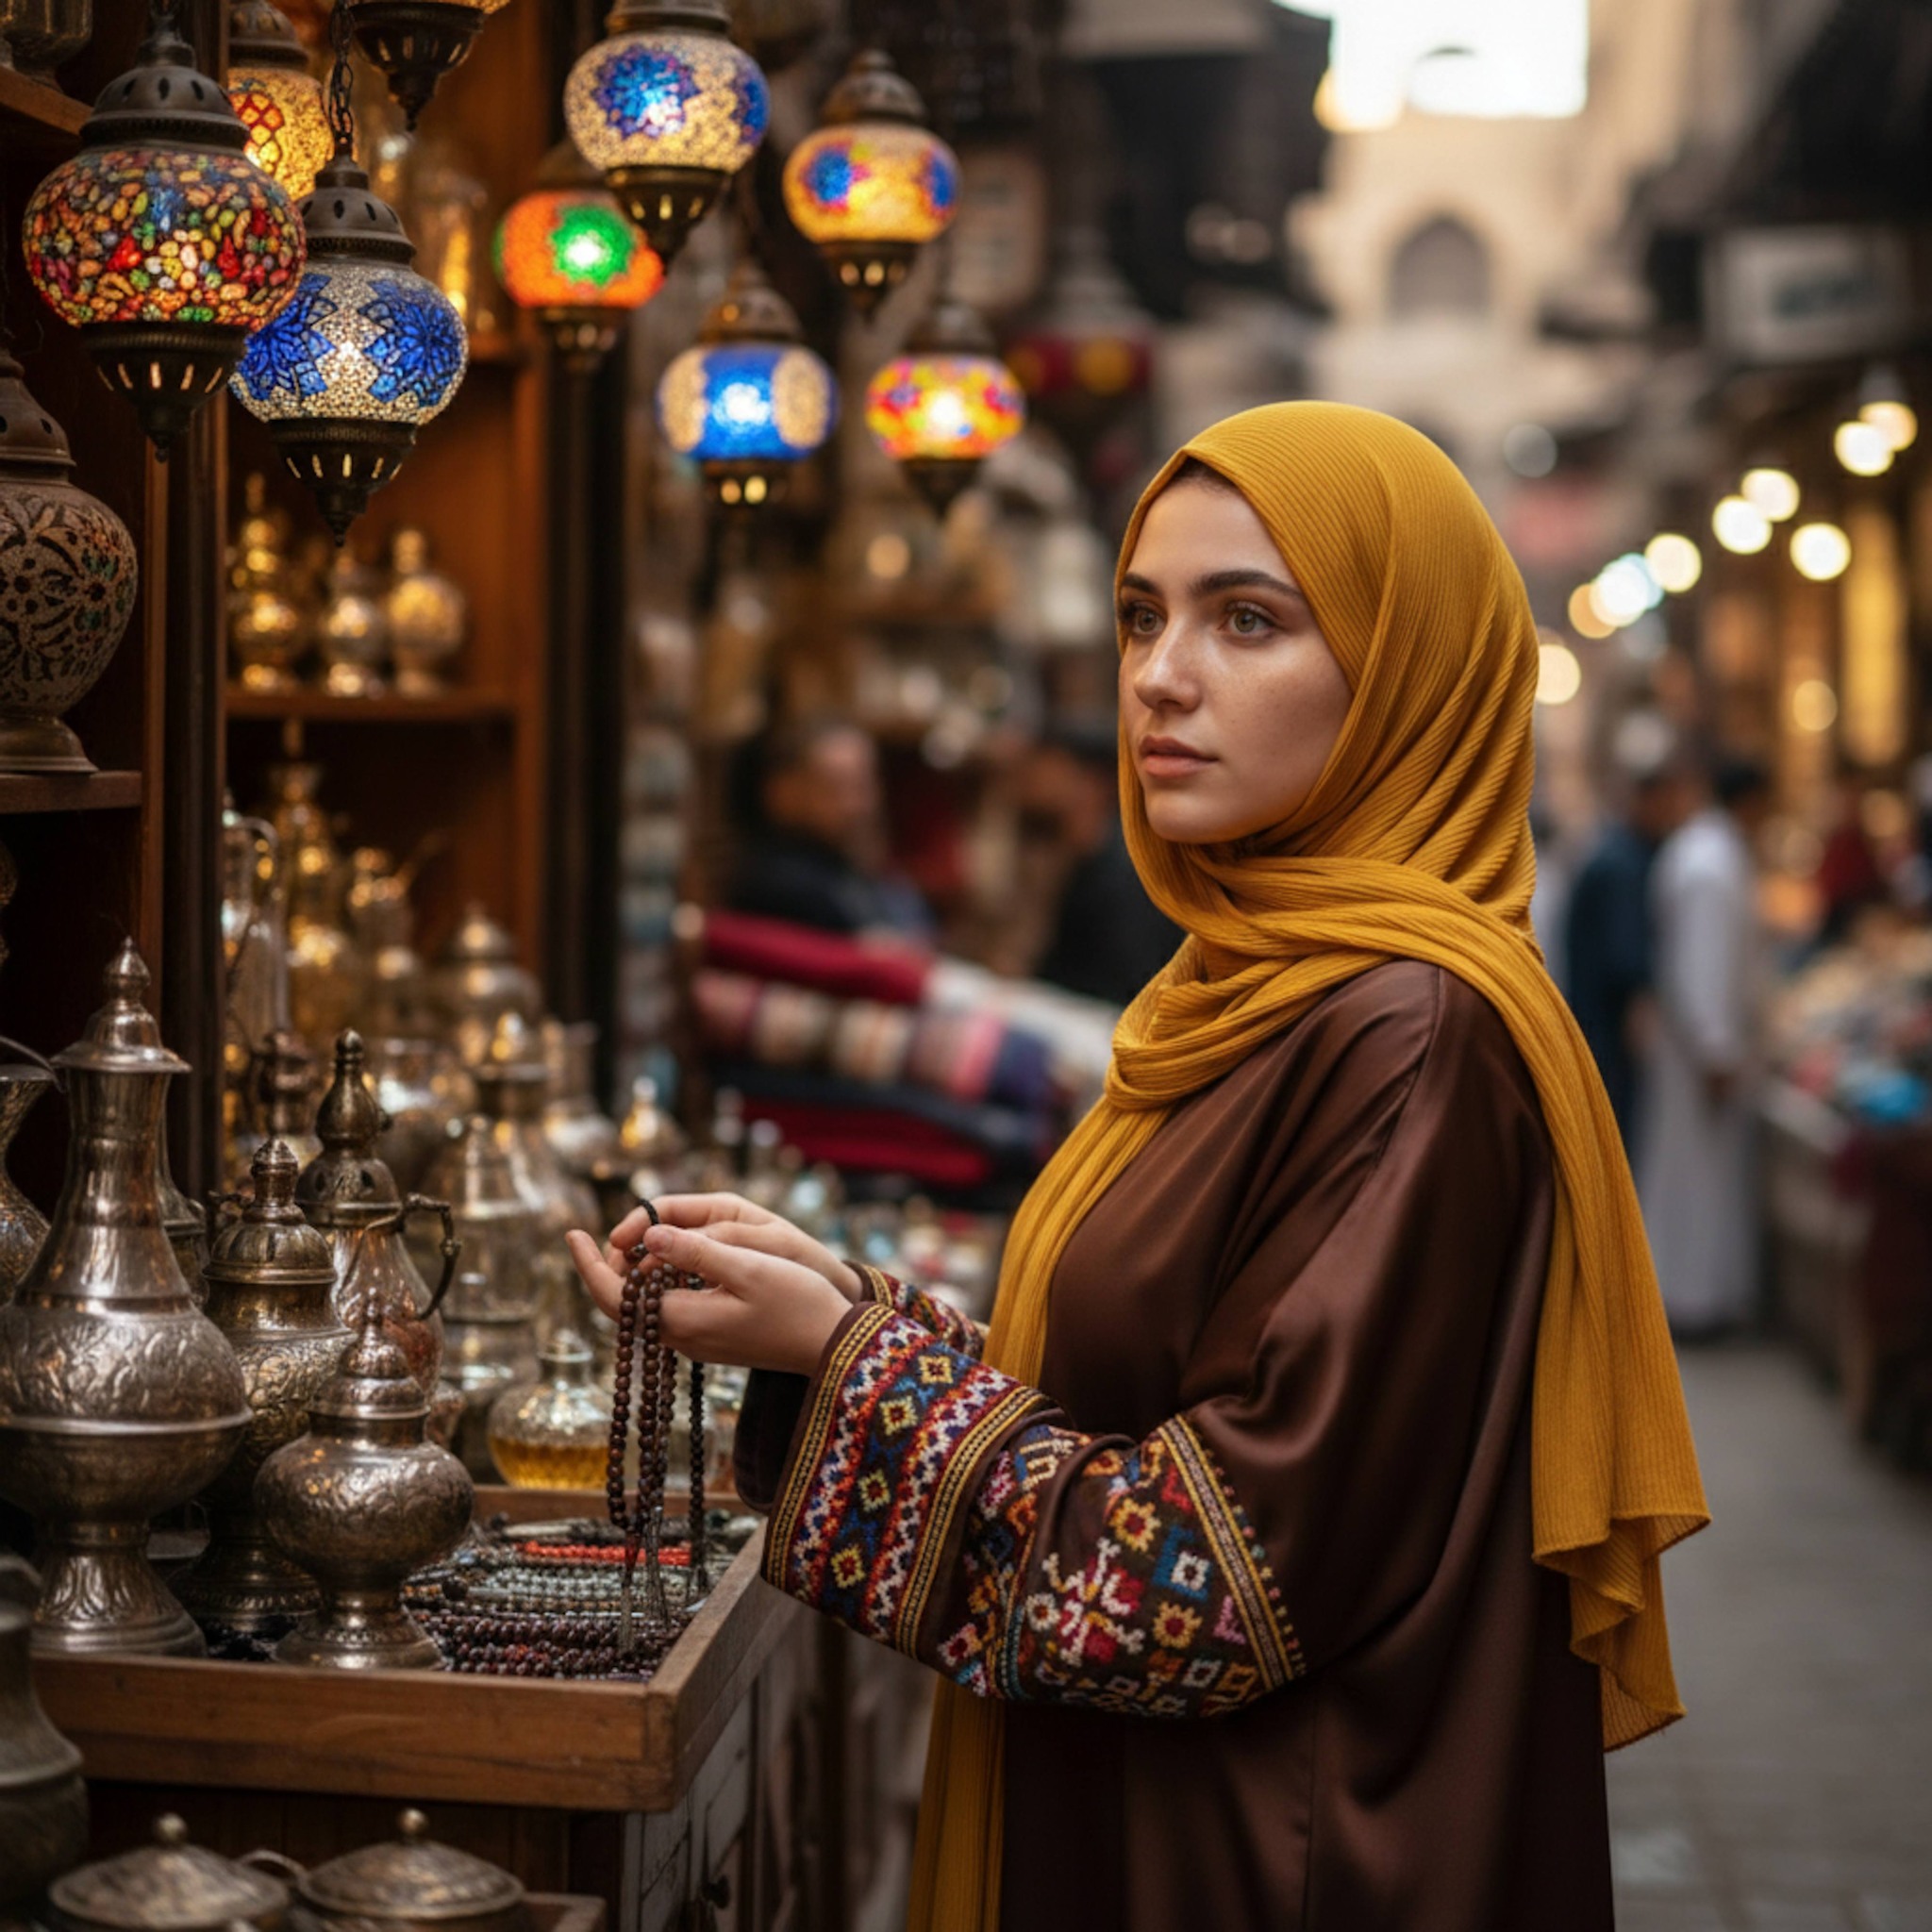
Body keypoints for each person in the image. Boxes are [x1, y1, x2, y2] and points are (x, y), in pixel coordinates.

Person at [570, 405, 1707, 1932]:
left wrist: (845, 1363)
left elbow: (1193, 1582)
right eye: (1139, 615)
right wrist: (832, 1308)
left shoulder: (1413, 1032)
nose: (1160, 675)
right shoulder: (1243, 993)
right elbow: (1135, 1390)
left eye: (1248, 619)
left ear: (1406, 671)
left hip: (1275, 1862)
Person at [1639, 754, 1772, 1340]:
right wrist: (1716, 1047)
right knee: (1698, 1183)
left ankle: (1698, 1297)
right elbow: (1704, 966)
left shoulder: (1706, 854)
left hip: (1691, 1048)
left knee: (1697, 1179)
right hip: (1699, 1053)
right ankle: (1693, 1303)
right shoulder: (1711, 866)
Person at [1562, 757, 1694, 1146]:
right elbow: (1625, 957)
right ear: (1647, 799)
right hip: (1608, 1028)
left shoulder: (1625, 853)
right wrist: (1644, 999)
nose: (1675, 813)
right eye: (1670, 801)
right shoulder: (1621, 863)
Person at [1017, 722, 1183, 1007]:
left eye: (1047, 761)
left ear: (1090, 780)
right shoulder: (1078, 856)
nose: (1028, 773)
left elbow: (1126, 986)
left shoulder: (1129, 874)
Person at [728, 719, 935, 941]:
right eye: (837, 787)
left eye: (864, 785)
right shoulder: (783, 887)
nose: (858, 806)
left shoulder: (854, 866)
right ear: (783, 794)